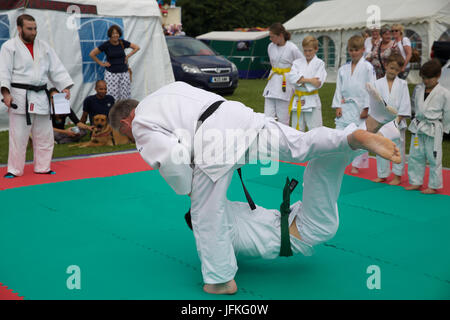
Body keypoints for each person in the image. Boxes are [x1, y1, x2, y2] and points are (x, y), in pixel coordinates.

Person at [108, 81, 400, 295]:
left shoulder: (142, 122)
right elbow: (186, 133)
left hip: (213, 140)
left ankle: (221, 279)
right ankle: (356, 134)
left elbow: (170, 159)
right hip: (240, 117)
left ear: (126, 121)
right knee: (300, 146)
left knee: (204, 213)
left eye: (126, 135)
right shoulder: (168, 91)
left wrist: (187, 187)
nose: (132, 140)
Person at [0, 14, 73, 178]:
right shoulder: (9, 47)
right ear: (19, 29)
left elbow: (56, 68)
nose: (33, 32)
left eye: (35, 29)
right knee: (18, 136)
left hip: (41, 96)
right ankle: (14, 169)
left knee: (45, 135)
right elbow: (3, 71)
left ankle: (43, 166)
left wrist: (65, 87)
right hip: (20, 97)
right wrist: (6, 93)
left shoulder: (44, 46)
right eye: (29, 29)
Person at [332, 35, 376, 174]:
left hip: (360, 107)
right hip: (345, 105)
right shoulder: (343, 69)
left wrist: (367, 107)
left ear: (363, 50)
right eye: (351, 50)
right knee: (340, 133)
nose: (353, 53)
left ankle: (356, 164)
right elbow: (338, 87)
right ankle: (338, 159)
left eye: (356, 50)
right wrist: (338, 105)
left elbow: (372, 88)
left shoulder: (368, 67)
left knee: (359, 134)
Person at [406, 59, 450, 194]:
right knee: (415, 156)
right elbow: (415, 108)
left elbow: (448, 113)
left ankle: (433, 185)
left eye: (429, 78)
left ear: (438, 76)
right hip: (419, 127)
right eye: (423, 78)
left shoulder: (444, 93)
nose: (425, 81)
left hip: (433, 128)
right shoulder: (419, 89)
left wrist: (444, 129)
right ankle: (415, 182)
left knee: (434, 157)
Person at [370, 53, 411, 185]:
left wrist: (396, 121)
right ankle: (382, 174)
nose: (393, 71)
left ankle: (397, 175)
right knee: (381, 146)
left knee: (398, 148)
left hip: (397, 121)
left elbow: (405, 104)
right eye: (391, 68)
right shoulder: (376, 83)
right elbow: (374, 103)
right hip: (381, 121)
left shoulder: (403, 84)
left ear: (400, 70)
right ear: (386, 66)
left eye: (396, 69)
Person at [263, 23, 304, 126]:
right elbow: (273, 64)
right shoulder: (270, 47)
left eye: (272, 36)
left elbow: (301, 65)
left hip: (285, 85)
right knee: (268, 117)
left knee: (283, 118)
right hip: (272, 84)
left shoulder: (292, 48)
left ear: (281, 35)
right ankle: (269, 138)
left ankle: (284, 140)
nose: (270, 39)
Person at [286, 36, 327, 131]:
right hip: (298, 99)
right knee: (297, 128)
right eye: (305, 50)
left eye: (310, 50)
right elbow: (291, 78)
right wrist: (310, 80)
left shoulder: (319, 63)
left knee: (315, 129)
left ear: (316, 49)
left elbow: (317, 83)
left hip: (312, 98)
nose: (307, 53)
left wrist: (300, 81)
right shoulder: (297, 62)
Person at [89, 25, 140, 101]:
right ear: (110, 35)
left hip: (124, 74)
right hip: (111, 75)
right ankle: (113, 112)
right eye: (113, 33)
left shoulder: (122, 42)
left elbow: (137, 47)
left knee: (125, 96)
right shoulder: (106, 45)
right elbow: (92, 54)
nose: (115, 35)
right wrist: (101, 63)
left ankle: (124, 112)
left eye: (117, 33)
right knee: (112, 97)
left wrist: (127, 56)